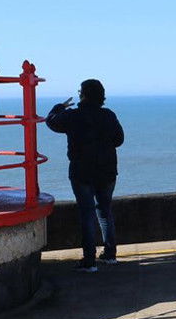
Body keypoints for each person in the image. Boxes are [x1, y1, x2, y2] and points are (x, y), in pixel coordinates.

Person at [46, 79, 125, 272]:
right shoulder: (108, 115)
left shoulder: (73, 116)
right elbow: (119, 140)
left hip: (82, 172)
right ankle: (110, 254)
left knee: (87, 214)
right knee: (105, 211)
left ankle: (89, 261)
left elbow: (51, 121)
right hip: (107, 170)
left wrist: (59, 107)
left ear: (82, 94)